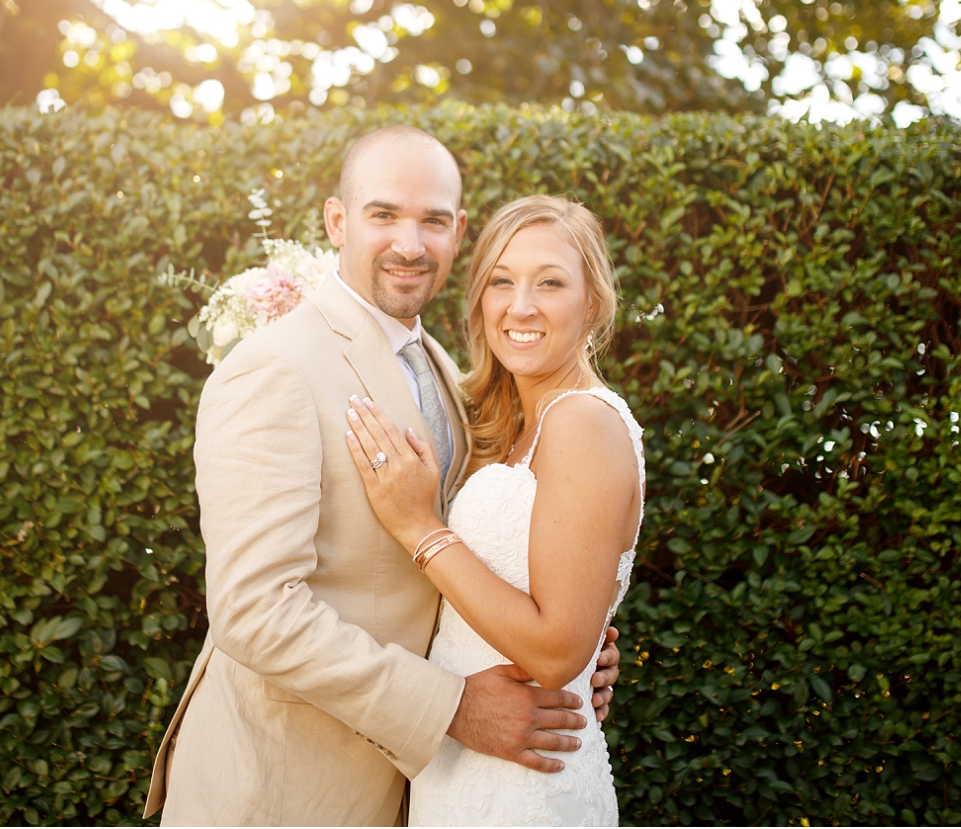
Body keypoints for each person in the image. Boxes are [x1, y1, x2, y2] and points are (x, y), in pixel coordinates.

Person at [144, 128, 621, 826]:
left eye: (432, 220)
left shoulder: (446, 371)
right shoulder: (275, 367)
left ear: (457, 232)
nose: (409, 243)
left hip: (424, 791)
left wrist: (568, 654)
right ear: (337, 221)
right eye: (383, 215)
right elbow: (255, 609)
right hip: (282, 790)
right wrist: (453, 705)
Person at [345, 194, 644, 826]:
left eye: (551, 283)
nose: (521, 306)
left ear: (592, 302)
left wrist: (419, 527)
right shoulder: (508, 427)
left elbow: (557, 651)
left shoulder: (583, 423)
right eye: (501, 282)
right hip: (463, 771)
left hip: (526, 791)